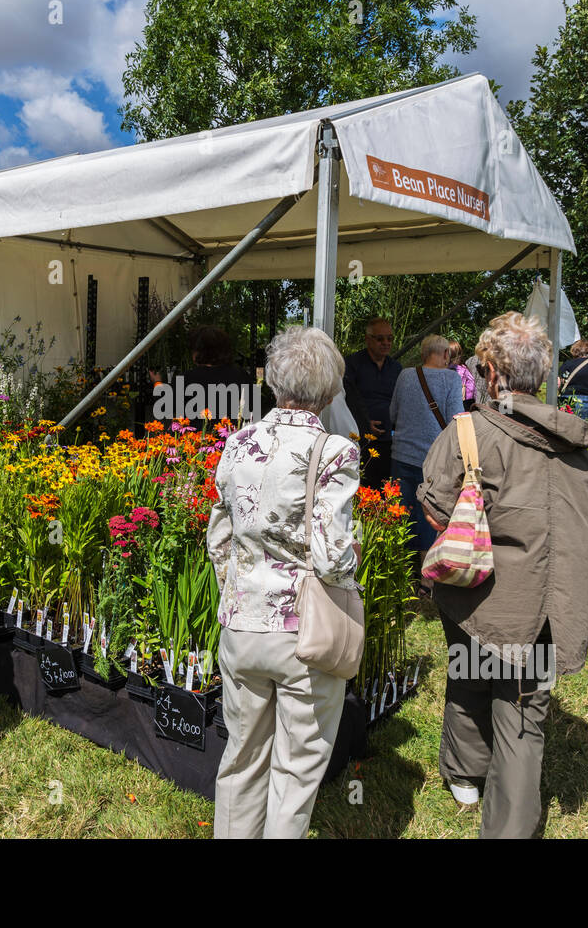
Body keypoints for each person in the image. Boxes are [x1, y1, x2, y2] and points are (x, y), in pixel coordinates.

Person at [419, 312, 588, 838]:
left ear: (492, 372)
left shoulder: (467, 431)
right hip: (550, 602)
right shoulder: (576, 442)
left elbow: (434, 506)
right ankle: (498, 811)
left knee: (471, 674)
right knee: (522, 712)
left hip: (476, 593)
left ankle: (469, 781)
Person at [208, 325, 361, 839]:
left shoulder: (237, 443)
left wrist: (240, 588)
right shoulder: (335, 450)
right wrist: (356, 549)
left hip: (241, 627)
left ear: (274, 382)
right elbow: (334, 557)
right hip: (303, 637)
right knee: (295, 771)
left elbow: (219, 539)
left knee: (241, 757)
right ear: (331, 389)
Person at [389, 334, 463, 571]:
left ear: (422, 354)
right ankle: (426, 579)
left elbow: (393, 414)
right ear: (445, 354)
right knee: (430, 516)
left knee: (401, 513)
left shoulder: (405, 375)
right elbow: (456, 420)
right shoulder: (451, 379)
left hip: (401, 454)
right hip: (434, 461)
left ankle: (400, 572)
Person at [343, 317, 402, 487]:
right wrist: (364, 422)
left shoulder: (396, 368)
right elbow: (348, 400)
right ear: (368, 339)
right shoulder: (352, 364)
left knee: (386, 490)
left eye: (389, 338)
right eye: (380, 338)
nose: (386, 343)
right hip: (360, 440)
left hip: (390, 442)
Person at [449, 340, 477, 411]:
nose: (459, 357)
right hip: (464, 403)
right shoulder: (457, 370)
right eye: (456, 355)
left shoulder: (460, 367)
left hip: (468, 400)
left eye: (459, 354)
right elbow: (462, 387)